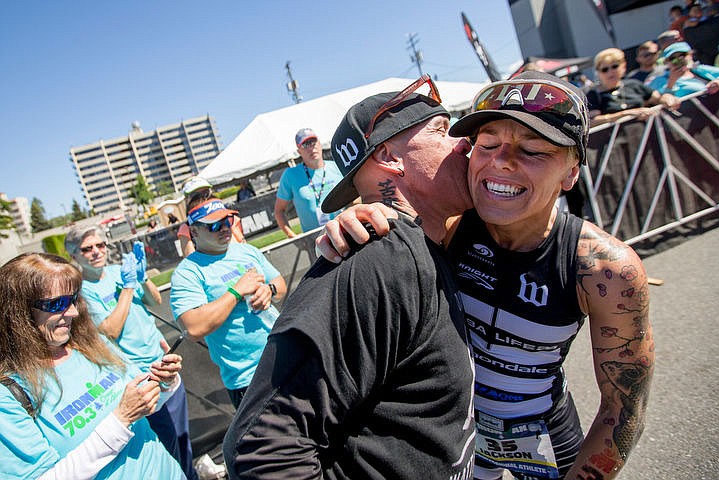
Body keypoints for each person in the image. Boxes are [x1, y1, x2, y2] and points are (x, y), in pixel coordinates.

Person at [318, 71, 655, 479]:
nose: (502, 162)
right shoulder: (450, 223)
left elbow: (623, 410)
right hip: (464, 439)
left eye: (533, 150)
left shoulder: (605, 268)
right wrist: (358, 212)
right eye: (488, 144)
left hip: (547, 433)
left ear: (571, 173)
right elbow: (395, 206)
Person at [223, 77, 476, 479]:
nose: (464, 141)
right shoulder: (380, 262)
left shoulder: (435, 239)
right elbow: (260, 450)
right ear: (390, 158)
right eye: (442, 131)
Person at [0, 253, 185, 479]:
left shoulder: (92, 346)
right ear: (18, 313)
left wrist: (163, 383)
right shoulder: (8, 394)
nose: (73, 312)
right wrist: (121, 420)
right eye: (57, 304)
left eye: (73, 300)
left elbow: (145, 405)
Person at [64, 227, 198, 480]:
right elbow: (110, 330)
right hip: (138, 377)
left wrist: (143, 276)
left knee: (182, 439)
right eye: (87, 248)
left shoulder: (117, 272)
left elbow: (155, 300)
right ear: (75, 256)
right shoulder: (82, 294)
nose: (96, 252)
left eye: (100, 245)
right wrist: (127, 287)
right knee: (165, 446)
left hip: (163, 366)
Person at [170, 197, 287, 409]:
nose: (224, 228)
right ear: (194, 233)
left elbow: (280, 284)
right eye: (214, 225)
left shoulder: (246, 251)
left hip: (286, 353)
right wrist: (235, 291)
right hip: (249, 379)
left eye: (227, 221)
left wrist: (268, 290)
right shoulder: (188, 272)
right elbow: (193, 328)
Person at [273, 128, 345, 237]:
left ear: (320, 144)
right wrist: (293, 236)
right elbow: (279, 211)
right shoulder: (290, 175)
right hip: (314, 241)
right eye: (305, 145)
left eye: (313, 142)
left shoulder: (337, 166)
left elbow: (355, 200)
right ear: (299, 151)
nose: (311, 147)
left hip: (343, 232)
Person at [587, 47, 680, 126]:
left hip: (647, 136)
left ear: (623, 66)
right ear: (598, 73)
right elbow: (592, 121)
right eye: (605, 69)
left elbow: (658, 99)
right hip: (617, 143)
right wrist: (625, 114)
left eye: (615, 66)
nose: (610, 72)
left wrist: (668, 97)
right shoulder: (593, 94)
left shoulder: (634, 84)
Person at [178, 176, 244, 256]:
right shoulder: (186, 228)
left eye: (206, 192)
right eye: (196, 195)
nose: (203, 198)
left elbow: (242, 245)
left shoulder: (230, 217)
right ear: (186, 200)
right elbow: (190, 258)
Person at [648, 41, 719, 96]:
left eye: (682, 55)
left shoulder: (699, 69)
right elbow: (656, 100)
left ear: (690, 55)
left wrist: (718, 81)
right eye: (672, 58)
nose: (678, 60)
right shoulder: (659, 80)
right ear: (666, 62)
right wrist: (670, 84)